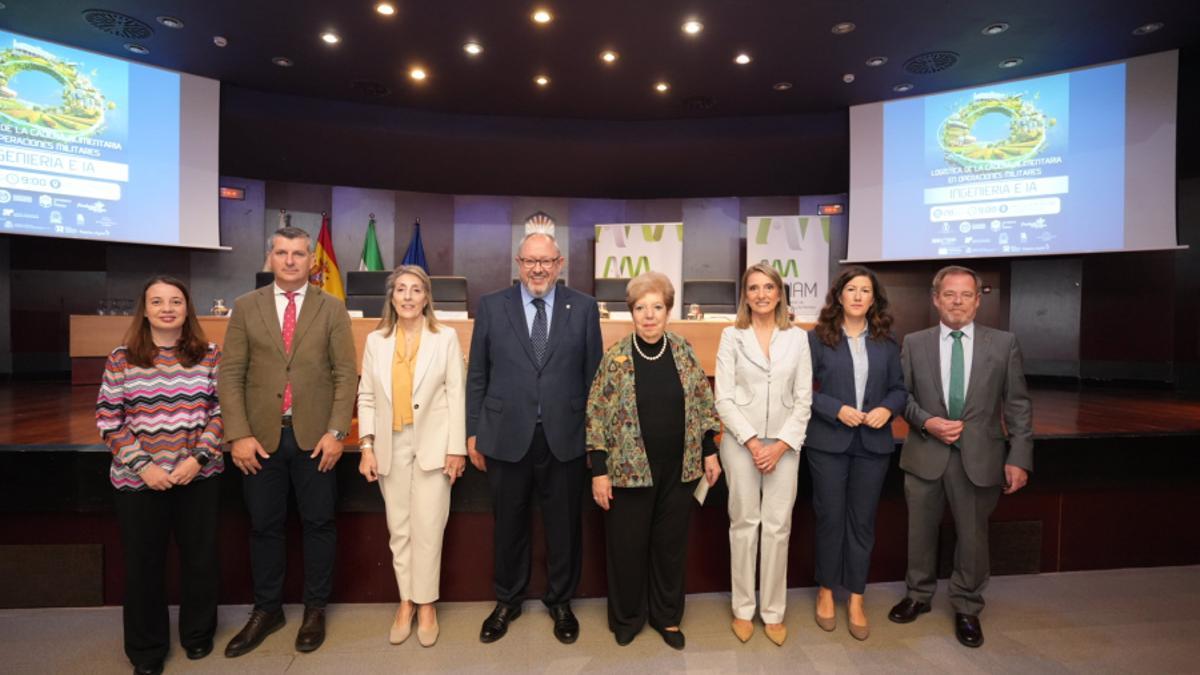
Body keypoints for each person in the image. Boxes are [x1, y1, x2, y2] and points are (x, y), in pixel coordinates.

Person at [219, 226, 358, 657]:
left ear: (311, 261)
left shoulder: (332, 309)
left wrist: (337, 433)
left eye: (299, 253)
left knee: (319, 525)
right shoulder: (245, 307)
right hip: (260, 440)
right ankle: (268, 610)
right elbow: (231, 374)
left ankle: (315, 609)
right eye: (282, 253)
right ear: (270, 257)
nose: (291, 260)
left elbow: (344, 374)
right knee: (264, 527)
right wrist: (237, 435)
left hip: (316, 440)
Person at [466, 232, 603, 645]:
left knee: (563, 526)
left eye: (546, 261)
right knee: (509, 525)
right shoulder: (491, 307)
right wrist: (473, 432)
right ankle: (507, 600)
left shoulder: (583, 307)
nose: (538, 269)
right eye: (530, 261)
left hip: (565, 436)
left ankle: (560, 602)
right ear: (518, 262)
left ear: (560, 264)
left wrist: (595, 443)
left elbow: (594, 378)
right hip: (506, 436)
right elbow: (477, 375)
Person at [888, 265, 1033, 648]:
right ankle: (918, 595)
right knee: (919, 532)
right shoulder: (914, 343)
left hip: (979, 457)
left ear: (977, 300)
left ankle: (967, 605)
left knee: (972, 536)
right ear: (935, 299)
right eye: (949, 294)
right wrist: (927, 422)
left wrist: (1019, 456)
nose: (957, 301)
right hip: (924, 454)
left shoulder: (1003, 344)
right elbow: (902, 397)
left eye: (965, 294)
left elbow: (1017, 404)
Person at [587, 271, 723, 649]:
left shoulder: (682, 350)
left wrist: (709, 451)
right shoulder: (615, 357)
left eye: (657, 308)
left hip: (679, 470)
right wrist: (599, 471)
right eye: (641, 308)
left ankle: (666, 617)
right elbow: (596, 415)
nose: (649, 316)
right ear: (631, 312)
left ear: (668, 311)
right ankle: (628, 617)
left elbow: (701, 403)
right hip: (628, 473)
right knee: (626, 549)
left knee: (669, 547)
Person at [96, 275, 224, 675]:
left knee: (200, 560)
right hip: (139, 481)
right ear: (145, 309)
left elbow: (223, 412)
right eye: (157, 301)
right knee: (143, 566)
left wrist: (197, 459)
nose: (167, 308)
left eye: (176, 301)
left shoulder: (210, 355)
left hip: (198, 477)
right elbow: (108, 419)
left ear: (187, 309)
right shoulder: (122, 358)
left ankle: (198, 635)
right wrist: (144, 467)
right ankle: (147, 650)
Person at [357, 265, 467, 647]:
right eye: (400, 289)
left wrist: (456, 449)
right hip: (391, 445)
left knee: (428, 528)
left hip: (434, 447)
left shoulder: (446, 338)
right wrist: (366, 445)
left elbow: (456, 394)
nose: (407, 296)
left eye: (415, 290)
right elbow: (367, 396)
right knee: (399, 529)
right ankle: (405, 600)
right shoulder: (377, 341)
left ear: (426, 298)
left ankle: (426, 604)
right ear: (391, 297)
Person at [804, 266, 907, 641]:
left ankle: (857, 596)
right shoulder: (817, 339)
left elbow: (899, 388)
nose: (859, 296)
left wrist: (887, 409)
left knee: (862, 523)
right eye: (852, 289)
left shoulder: (887, 341)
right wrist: (835, 409)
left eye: (866, 290)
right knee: (830, 518)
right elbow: (802, 390)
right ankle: (827, 591)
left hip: (873, 445)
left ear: (874, 299)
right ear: (839, 296)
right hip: (828, 442)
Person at [714, 263, 812, 646]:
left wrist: (782, 445)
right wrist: (754, 443)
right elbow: (723, 397)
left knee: (777, 527)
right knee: (744, 523)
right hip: (742, 444)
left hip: (785, 446)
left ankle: (773, 612)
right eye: (753, 288)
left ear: (779, 292)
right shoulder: (731, 336)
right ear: (746, 295)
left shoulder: (798, 339)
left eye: (768, 286)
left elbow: (804, 399)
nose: (761, 294)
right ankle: (743, 609)